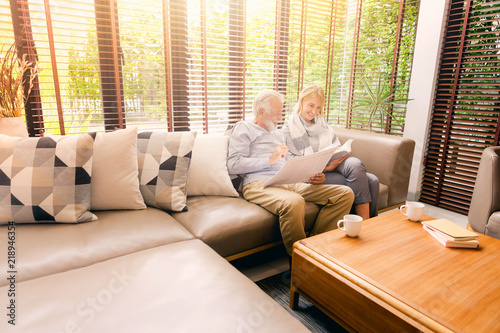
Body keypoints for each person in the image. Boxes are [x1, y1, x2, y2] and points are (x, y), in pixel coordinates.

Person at [227, 89, 354, 257]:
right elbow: (233, 164)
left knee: (344, 194)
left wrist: (310, 174)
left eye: (281, 113)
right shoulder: (244, 127)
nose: (280, 118)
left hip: (287, 181)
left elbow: (287, 162)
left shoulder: (275, 134)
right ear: (261, 111)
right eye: (277, 113)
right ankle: (302, 263)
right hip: (258, 184)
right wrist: (269, 160)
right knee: (294, 202)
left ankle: (316, 251)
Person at [282, 85, 379, 220]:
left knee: (356, 164)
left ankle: (363, 224)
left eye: (318, 107)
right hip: (313, 175)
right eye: (311, 105)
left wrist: (339, 154)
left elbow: (335, 145)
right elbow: (294, 163)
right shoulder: (289, 128)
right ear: (301, 101)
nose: (314, 111)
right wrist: (327, 168)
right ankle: (365, 225)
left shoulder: (323, 124)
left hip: (332, 164)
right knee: (372, 181)